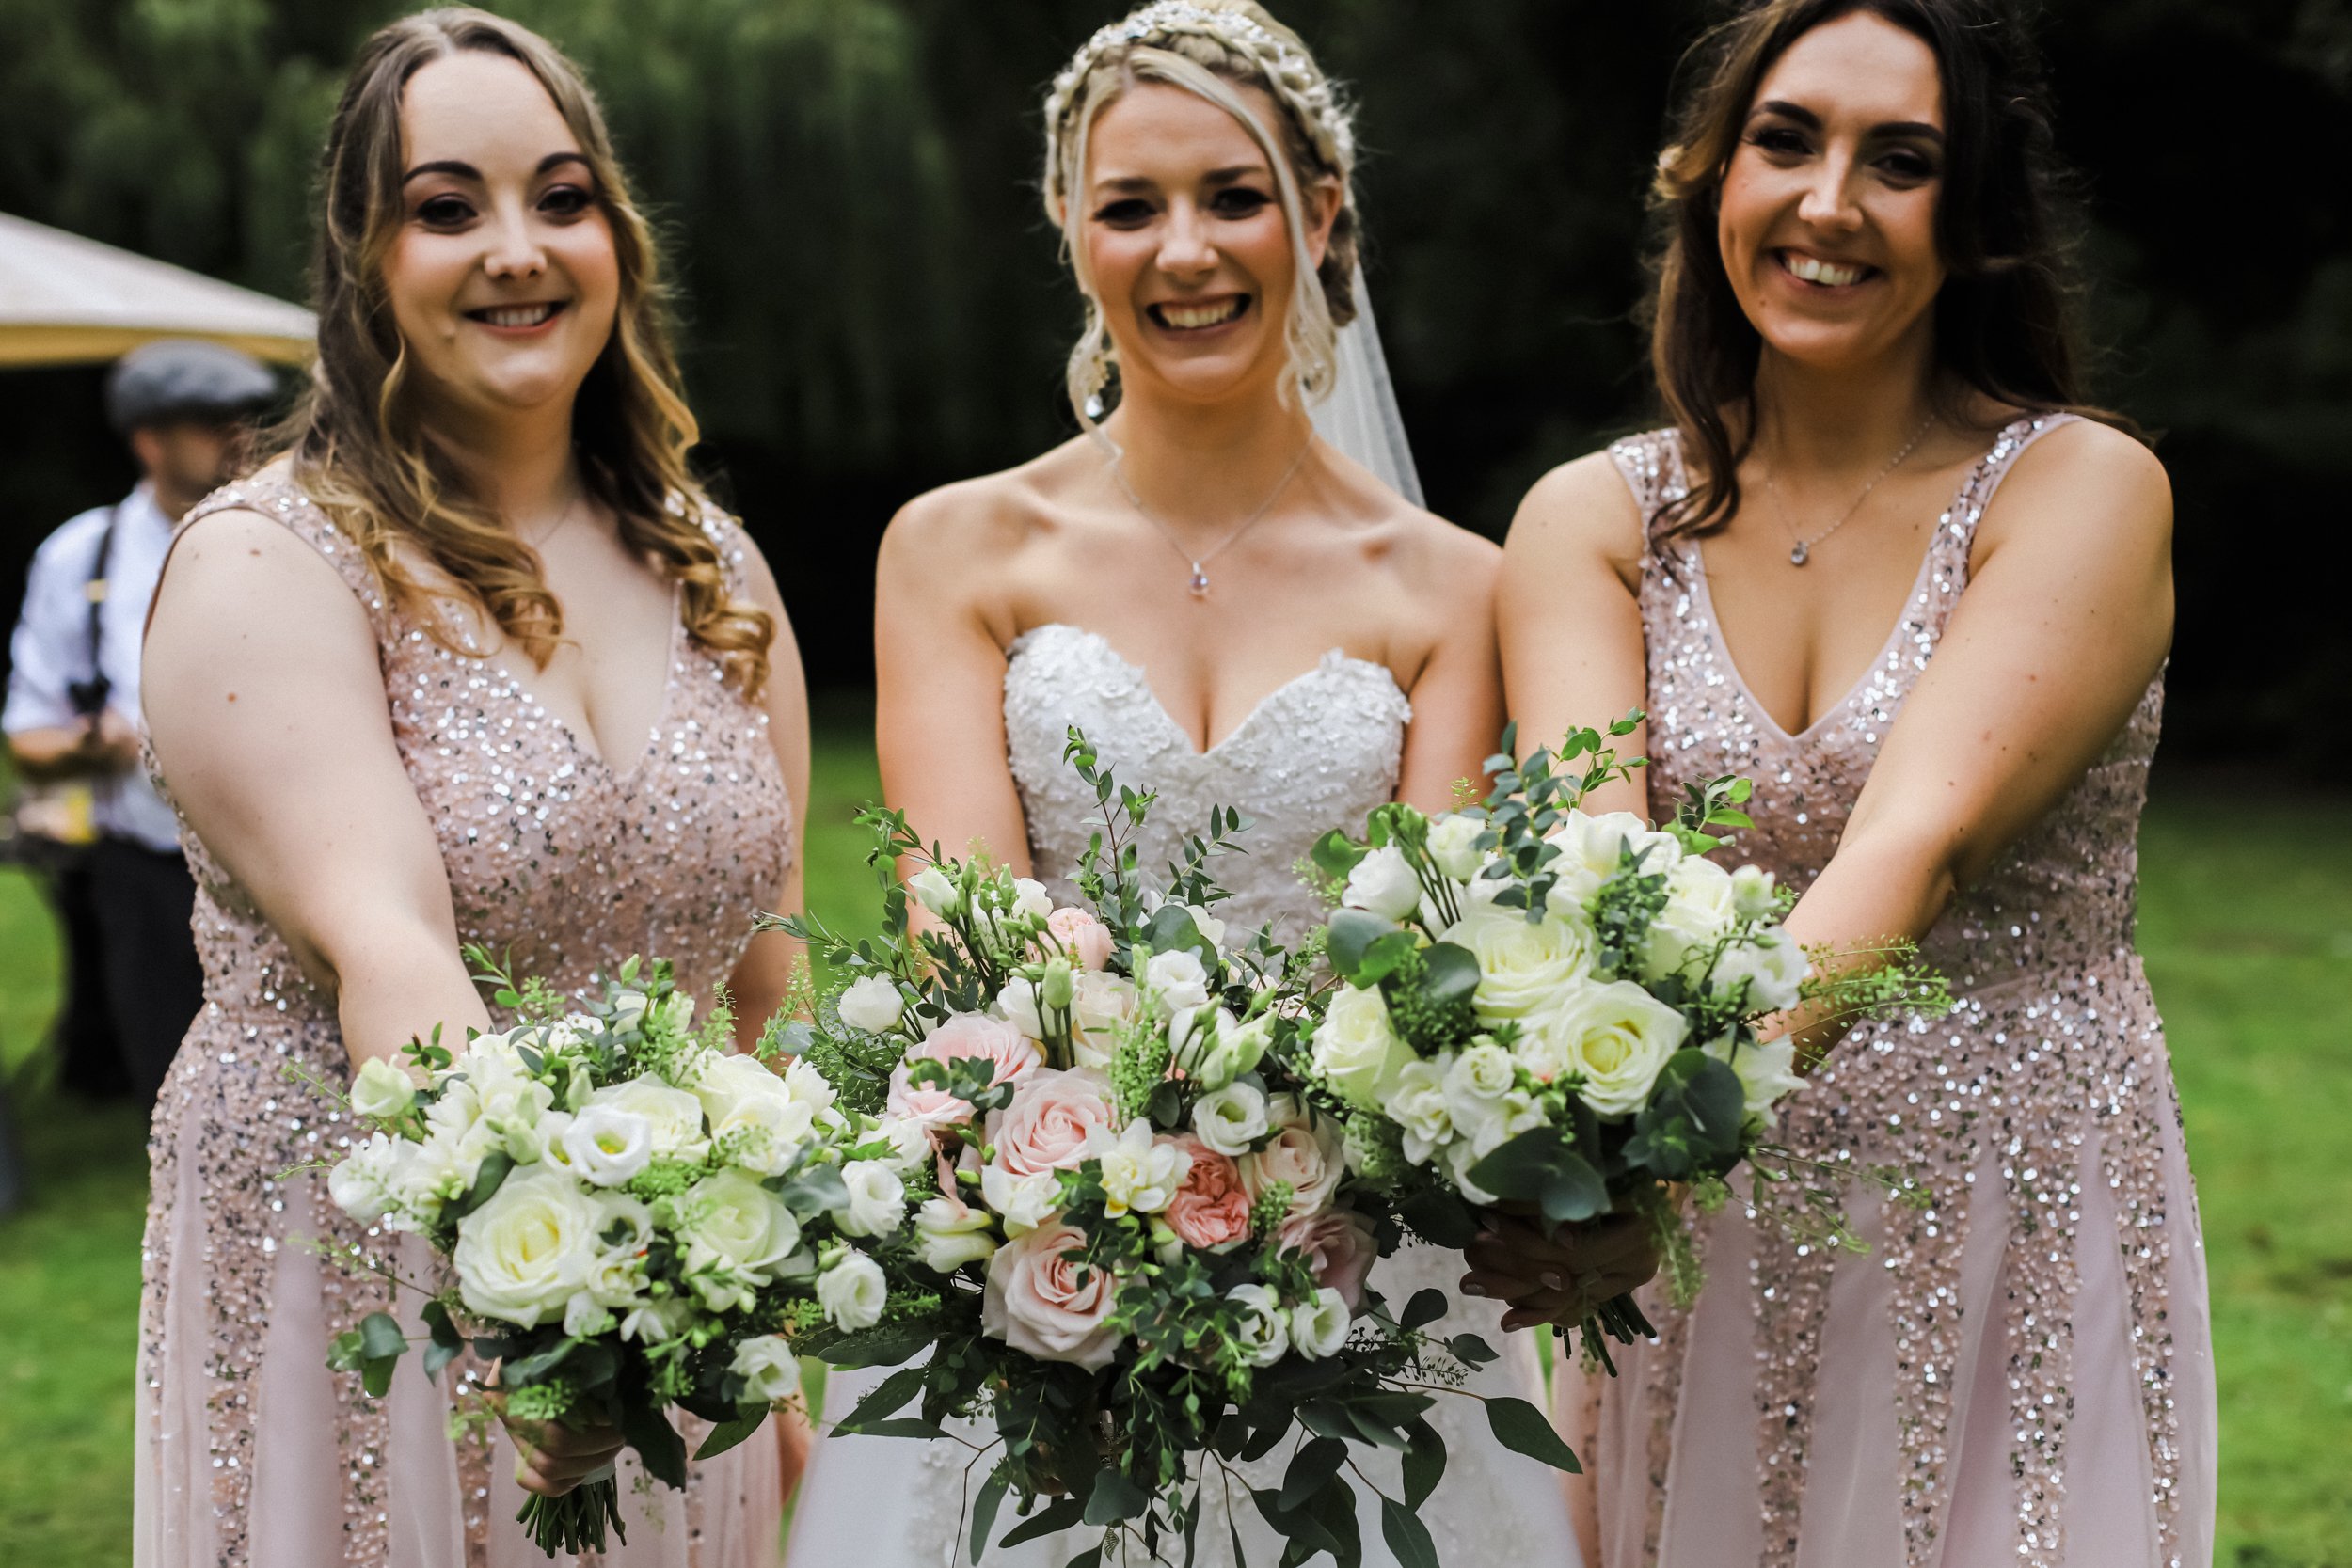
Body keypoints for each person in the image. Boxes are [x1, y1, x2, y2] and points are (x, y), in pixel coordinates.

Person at [788, 5, 1579, 1564]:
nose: (1184, 252)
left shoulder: (1455, 588)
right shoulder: (956, 549)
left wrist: (1271, 1167)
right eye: (1129, 206)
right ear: (1071, 233)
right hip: (1040, 1225)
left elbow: (1430, 957)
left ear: (1320, 215)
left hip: (1360, 1256)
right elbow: (960, 906)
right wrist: (1108, 1142)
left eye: (1232, 196)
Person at [1473, 2, 2217, 1564]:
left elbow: (1920, 844)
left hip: (2013, 1198)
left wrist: (1645, 1160)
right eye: (1787, 141)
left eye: (1902, 161)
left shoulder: (2081, 487)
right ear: (1708, 176)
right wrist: (1596, 1173)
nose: (1830, 204)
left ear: (1978, 220)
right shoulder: (1589, 521)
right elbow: (1582, 878)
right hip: (1694, 1253)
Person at [133, 10, 807, 1564]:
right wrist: (557, 1314)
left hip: (669, 1307)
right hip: (363, 1289)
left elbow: (758, 986)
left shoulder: (716, 566)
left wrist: (759, 1298)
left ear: (618, 238)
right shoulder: (268, 562)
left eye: (561, 197)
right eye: (448, 209)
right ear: (363, 256)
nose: (517, 248)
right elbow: (390, 944)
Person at [4, 341, 273, 1103]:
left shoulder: (293, 534)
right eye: (209, 422)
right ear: (150, 440)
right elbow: (28, 737)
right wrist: (99, 743)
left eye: (242, 417)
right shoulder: (81, 557)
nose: (237, 435)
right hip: (150, 871)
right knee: (177, 1094)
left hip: (285, 860)